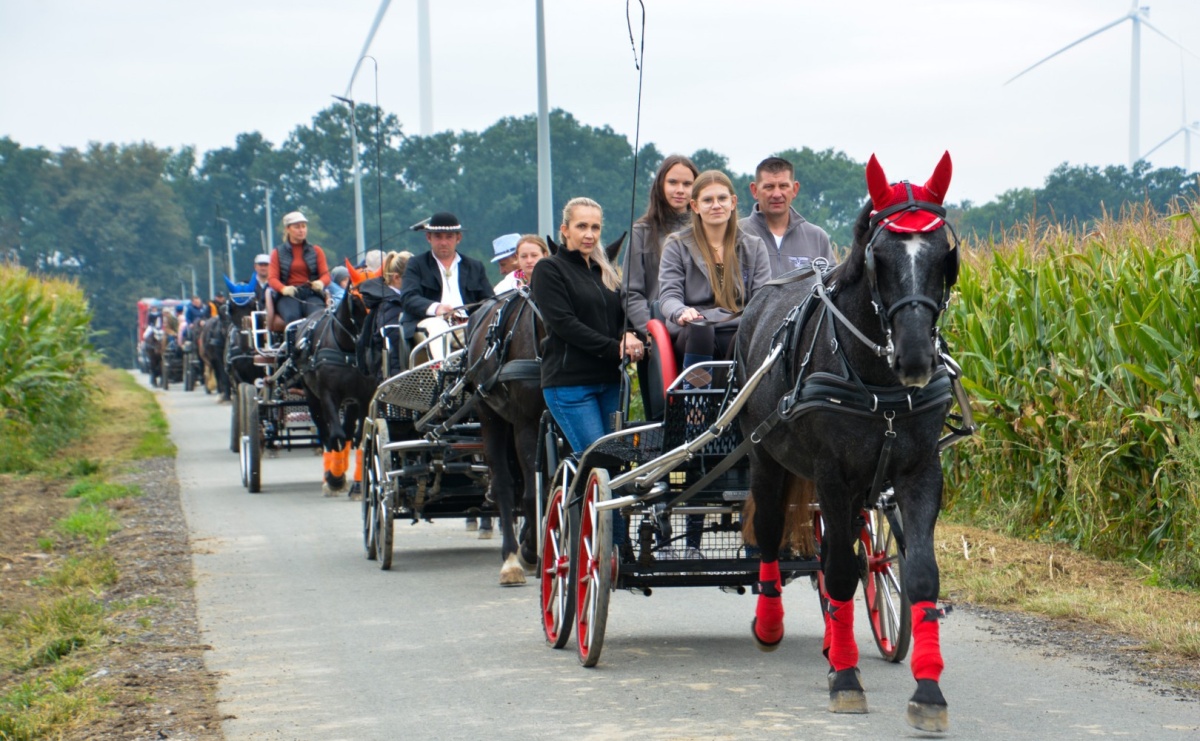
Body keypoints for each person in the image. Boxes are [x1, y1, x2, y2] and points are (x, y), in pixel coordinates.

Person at [530, 197, 644, 457]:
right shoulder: (549, 269)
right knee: (599, 460)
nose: (589, 234)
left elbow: (618, 317)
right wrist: (616, 348)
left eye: (595, 227)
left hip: (610, 381)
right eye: (582, 226)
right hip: (571, 384)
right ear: (565, 229)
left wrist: (627, 334)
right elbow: (565, 324)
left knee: (618, 462)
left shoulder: (604, 271)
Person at [659, 170, 771, 388]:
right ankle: (696, 408)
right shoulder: (676, 245)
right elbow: (668, 296)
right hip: (692, 330)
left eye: (722, 198)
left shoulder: (754, 246)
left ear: (733, 202)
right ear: (695, 206)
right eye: (708, 200)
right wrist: (682, 312)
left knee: (755, 333)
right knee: (701, 329)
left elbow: (763, 299)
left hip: (737, 325)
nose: (716, 205)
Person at [621, 154, 699, 419]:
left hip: (700, 335)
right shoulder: (643, 231)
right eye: (673, 182)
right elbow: (631, 292)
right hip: (660, 342)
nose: (680, 190)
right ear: (660, 186)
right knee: (664, 417)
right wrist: (652, 332)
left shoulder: (708, 230)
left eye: (687, 184)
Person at [399, 212, 494, 355]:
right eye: (438, 236)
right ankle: (442, 374)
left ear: (458, 238)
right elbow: (408, 298)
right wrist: (437, 308)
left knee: (491, 331)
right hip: (428, 323)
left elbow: (489, 301)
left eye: (449, 237)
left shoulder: (475, 266)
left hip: (466, 326)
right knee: (439, 327)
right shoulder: (416, 264)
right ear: (429, 238)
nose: (443, 242)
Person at [739, 156, 834, 277]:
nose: (777, 194)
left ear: (795, 189)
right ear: (754, 190)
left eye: (783, 186)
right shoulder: (736, 235)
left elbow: (833, 289)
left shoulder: (817, 238)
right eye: (769, 187)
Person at [268, 211, 332, 326]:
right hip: (288, 296)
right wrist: (283, 289)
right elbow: (272, 278)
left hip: (311, 294)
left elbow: (326, 275)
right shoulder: (277, 253)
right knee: (292, 317)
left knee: (318, 316)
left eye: (303, 226)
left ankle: (314, 343)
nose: (301, 230)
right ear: (288, 229)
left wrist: (320, 283)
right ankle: (293, 343)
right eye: (297, 227)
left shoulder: (316, 251)